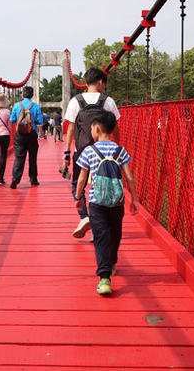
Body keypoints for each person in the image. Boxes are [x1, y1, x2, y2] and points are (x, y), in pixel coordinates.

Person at [74, 109, 139, 295]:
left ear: (95, 129)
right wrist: (133, 199)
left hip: (96, 201)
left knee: (100, 237)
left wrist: (79, 198)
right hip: (117, 201)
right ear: (111, 129)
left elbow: (81, 178)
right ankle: (111, 264)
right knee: (115, 234)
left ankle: (104, 278)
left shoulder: (89, 151)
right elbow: (130, 178)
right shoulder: (120, 150)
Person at [63, 67, 120, 239]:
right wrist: (118, 147)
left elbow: (71, 128)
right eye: (104, 84)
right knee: (101, 186)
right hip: (105, 153)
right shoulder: (107, 101)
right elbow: (115, 127)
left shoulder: (76, 100)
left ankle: (85, 217)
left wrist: (67, 152)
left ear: (86, 82)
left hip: (82, 151)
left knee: (77, 185)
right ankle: (98, 225)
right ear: (101, 82)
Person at [9, 85, 44, 189]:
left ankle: (15, 178)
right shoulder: (36, 106)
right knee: (32, 158)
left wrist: (21, 123)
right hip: (31, 134)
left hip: (19, 135)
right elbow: (40, 121)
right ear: (32, 95)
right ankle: (33, 180)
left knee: (19, 157)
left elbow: (12, 119)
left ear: (23, 94)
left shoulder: (16, 105)